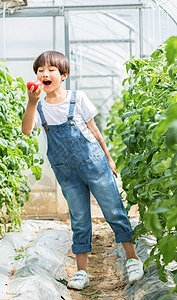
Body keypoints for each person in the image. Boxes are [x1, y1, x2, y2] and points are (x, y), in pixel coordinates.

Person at [22, 50, 144, 290]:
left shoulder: (77, 98)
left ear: (63, 74)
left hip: (95, 165)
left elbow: (95, 131)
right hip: (67, 173)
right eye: (40, 70)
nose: (44, 74)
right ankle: (81, 273)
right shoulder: (40, 107)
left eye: (50, 70)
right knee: (79, 220)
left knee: (113, 211)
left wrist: (109, 159)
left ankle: (132, 259)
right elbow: (27, 130)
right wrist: (32, 102)